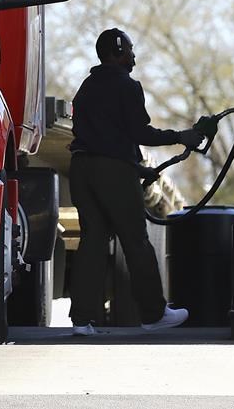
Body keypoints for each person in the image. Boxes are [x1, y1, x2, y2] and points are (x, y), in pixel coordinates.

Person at [68, 27, 203, 336]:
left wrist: (138, 171)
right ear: (117, 52)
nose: (134, 57)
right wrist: (180, 137)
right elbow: (139, 133)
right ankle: (154, 313)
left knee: (93, 241)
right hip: (112, 172)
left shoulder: (86, 87)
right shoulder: (128, 86)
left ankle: (82, 320)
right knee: (136, 240)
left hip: (82, 169)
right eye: (129, 50)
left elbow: (101, 137)